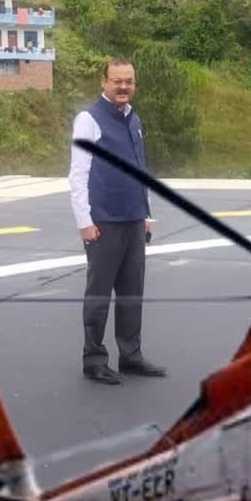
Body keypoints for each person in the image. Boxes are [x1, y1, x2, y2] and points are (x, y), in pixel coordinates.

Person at [68, 57, 166, 385]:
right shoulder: (89, 119)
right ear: (103, 82)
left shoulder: (133, 118)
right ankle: (93, 358)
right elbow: (78, 173)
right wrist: (84, 221)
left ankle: (130, 354)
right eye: (117, 81)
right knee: (99, 293)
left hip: (134, 218)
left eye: (129, 81)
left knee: (131, 292)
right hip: (104, 220)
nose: (123, 87)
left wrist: (147, 212)